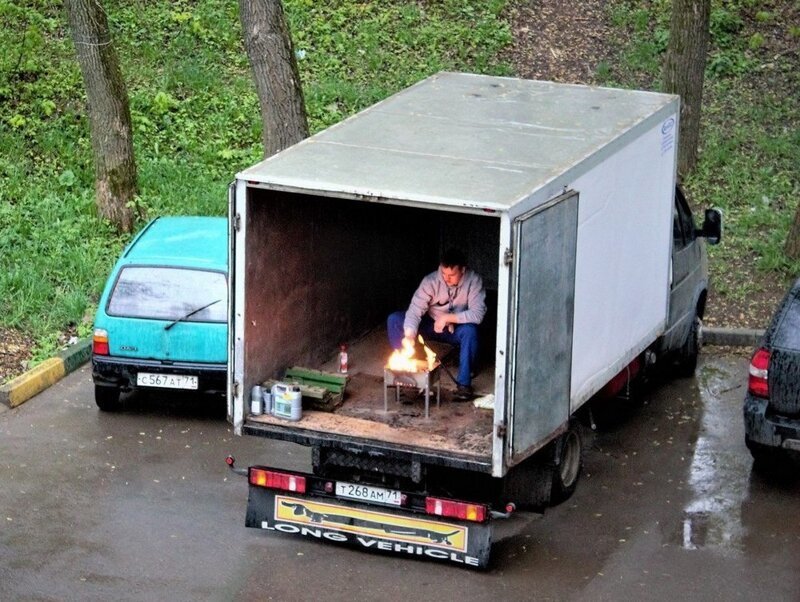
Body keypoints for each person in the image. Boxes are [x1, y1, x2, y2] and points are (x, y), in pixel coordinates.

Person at [387, 248, 486, 400]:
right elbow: (414, 311)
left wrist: (448, 318)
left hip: (455, 329)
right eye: (443, 273)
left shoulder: (474, 281)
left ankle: (464, 384)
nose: (446, 278)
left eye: (451, 275)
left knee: (471, 331)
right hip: (430, 325)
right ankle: (407, 373)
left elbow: (478, 314)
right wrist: (409, 335)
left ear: (463, 270)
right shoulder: (430, 281)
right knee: (395, 319)